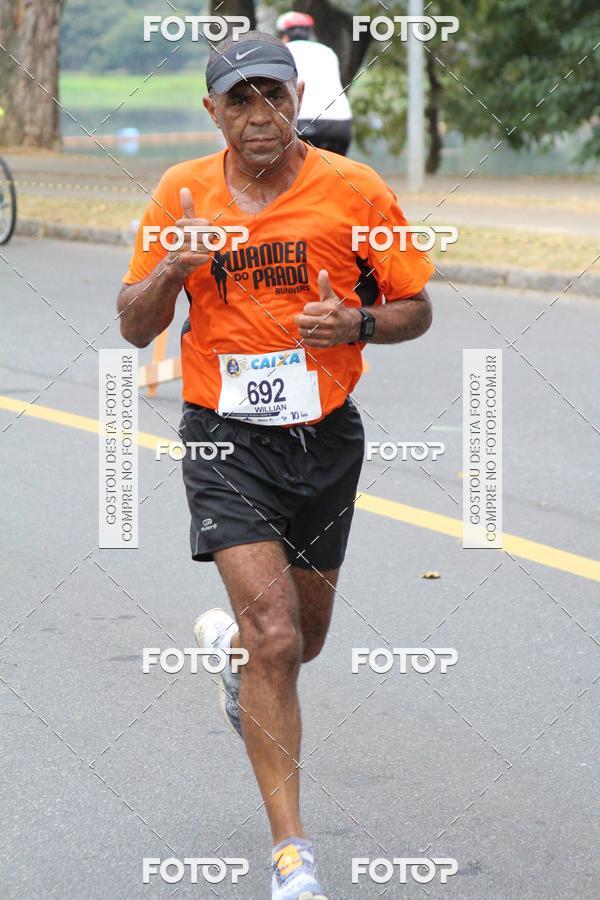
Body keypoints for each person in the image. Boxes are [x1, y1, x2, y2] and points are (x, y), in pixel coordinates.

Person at [117, 30, 433, 900]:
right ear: (212, 111)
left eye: (275, 97)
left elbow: (416, 307)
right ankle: (293, 854)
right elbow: (136, 326)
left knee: (306, 641)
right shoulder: (182, 191)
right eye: (240, 101)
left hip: (325, 439)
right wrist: (173, 267)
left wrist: (360, 325)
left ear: (299, 98)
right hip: (225, 438)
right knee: (279, 636)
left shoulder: (353, 190)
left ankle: (231, 649)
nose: (261, 117)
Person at [276, 11, 353, 156]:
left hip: (301, 122)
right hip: (339, 124)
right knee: (336, 173)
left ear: (284, 36)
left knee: (296, 174)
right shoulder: (328, 52)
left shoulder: (282, 51)